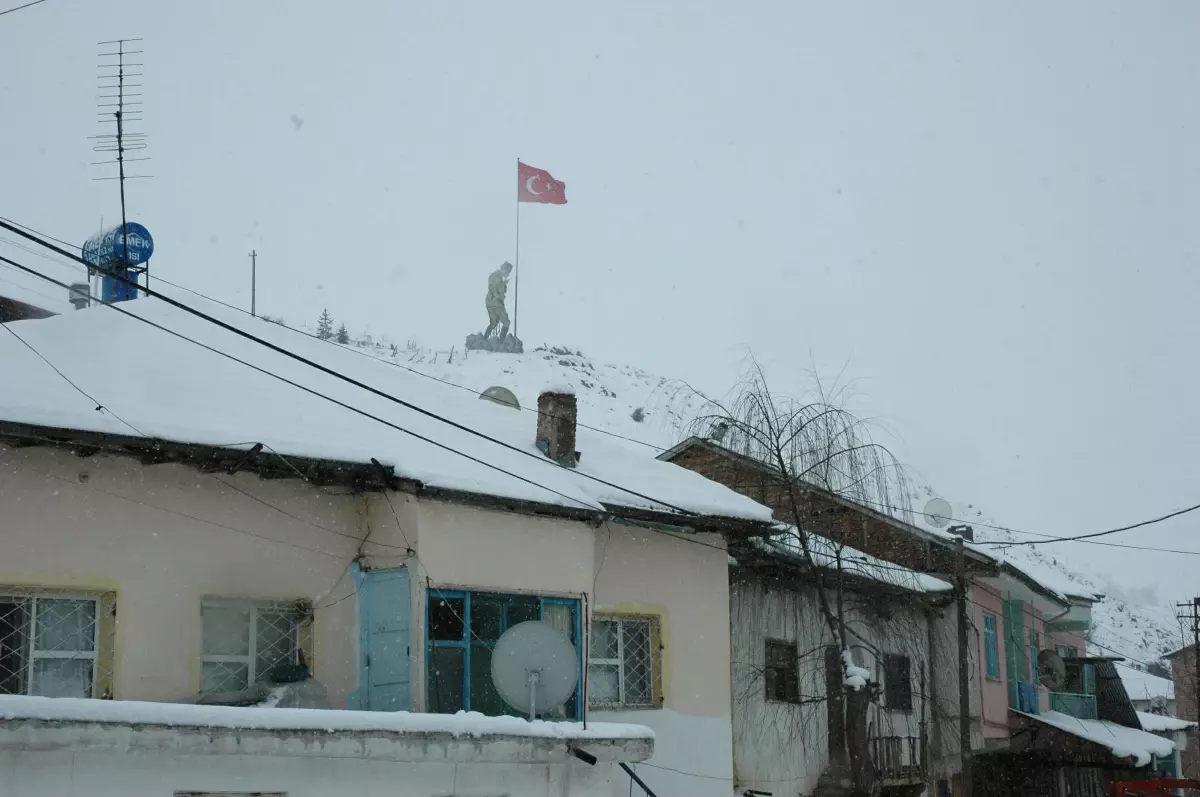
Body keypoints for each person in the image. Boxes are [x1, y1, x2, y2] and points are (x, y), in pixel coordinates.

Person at [483, 261, 513, 340]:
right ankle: (501, 343)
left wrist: (503, 284)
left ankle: (484, 340)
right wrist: (500, 297)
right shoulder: (496, 276)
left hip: (491, 302)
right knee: (506, 322)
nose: (508, 274)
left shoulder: (496, 276)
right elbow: (494, 290)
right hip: (496, 303)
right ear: (503, 269)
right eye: (508, 271)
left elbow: (495, 287)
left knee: (494, 323)